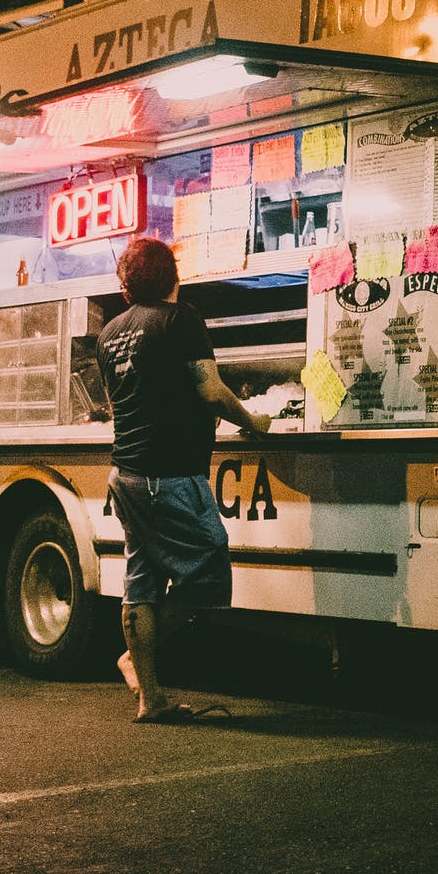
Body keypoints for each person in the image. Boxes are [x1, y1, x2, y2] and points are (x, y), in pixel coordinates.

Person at [95, 236, 270, 722]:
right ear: (174, 277)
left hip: (125, 474)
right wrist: (253, 421)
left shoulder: (108, 333)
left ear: (126, 286)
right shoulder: (181, 320)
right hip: (170, 475)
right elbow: (211, 391)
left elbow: (128, 400)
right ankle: (133, 659)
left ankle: (151, 699)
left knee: (142, 581)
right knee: (208, 570)